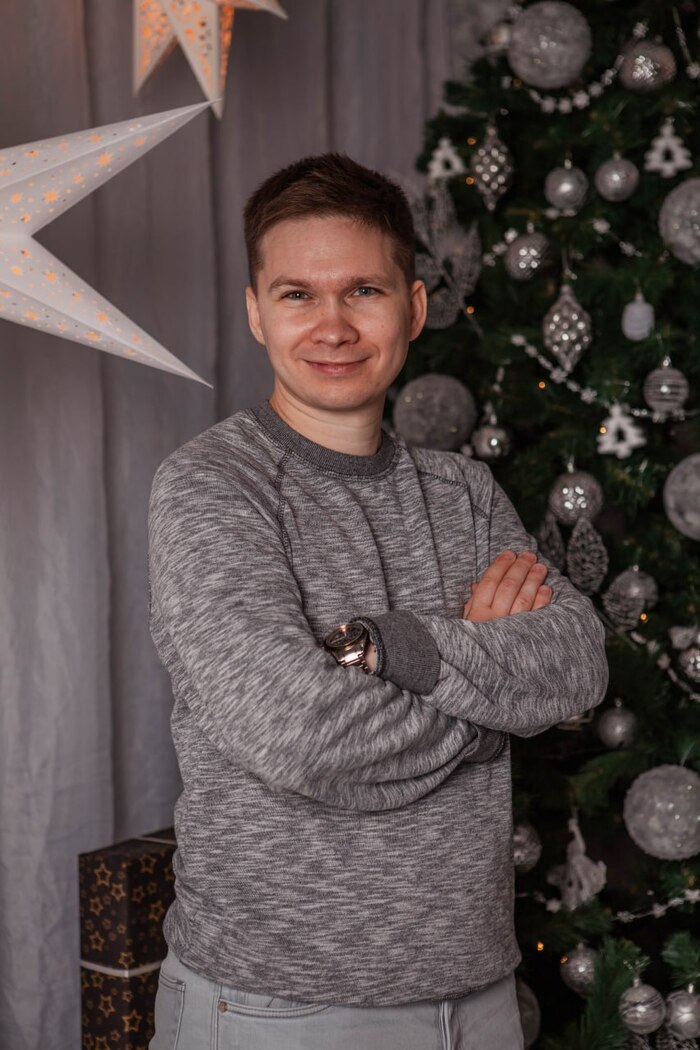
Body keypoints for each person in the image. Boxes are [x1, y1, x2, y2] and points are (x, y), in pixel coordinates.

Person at [146, 153, 608, 1050]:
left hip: (481, 994)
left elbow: (578, 660)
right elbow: (303, 734)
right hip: (278, 1006)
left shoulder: (466, 492)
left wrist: (397, 647)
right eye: (298, 294)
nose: (334, 325)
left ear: (415, 307)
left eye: (364, 290)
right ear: (256, 311)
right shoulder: (212, 487)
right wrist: (490, 712)